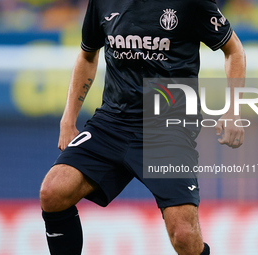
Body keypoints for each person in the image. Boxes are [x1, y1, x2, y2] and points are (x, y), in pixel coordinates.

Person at [40, 0, 246, 254]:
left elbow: (234, 50)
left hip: (168, 125)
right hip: (113, 121)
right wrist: (68, 119)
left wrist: (233, 110)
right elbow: (87, 55)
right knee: (53, 192)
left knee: (184, 236)